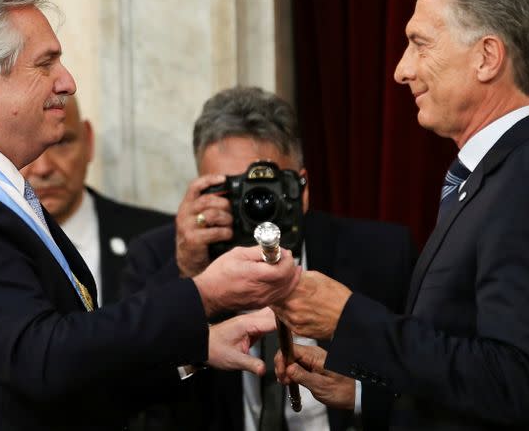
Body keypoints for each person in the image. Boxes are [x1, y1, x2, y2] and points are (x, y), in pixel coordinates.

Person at [0, 0, 301, 431]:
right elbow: (41, 358)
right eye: (45, 63)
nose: (67, 82)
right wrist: (204, 295)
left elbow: (61, 372)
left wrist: (189, 353)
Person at [273, 0, 529, 430]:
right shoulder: (497, 177)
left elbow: (510, 380)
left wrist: (349, 320)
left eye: (420, 43)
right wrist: (361, 395)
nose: (401, 69)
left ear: (486, 57)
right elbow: (471, 376)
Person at [122, 86, 417, 431]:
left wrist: (361, 393)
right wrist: (189, 280)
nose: (252, 205)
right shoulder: (160, 257)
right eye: (230, 191)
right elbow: (124, 385)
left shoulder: (382, 254)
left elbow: (427, 386)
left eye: (263, 189)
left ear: (301, 189)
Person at [21, 97, 170, 306]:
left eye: (61, 142)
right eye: (27, 146)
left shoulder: (163, 240)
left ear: (88, 140)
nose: (44, 168)